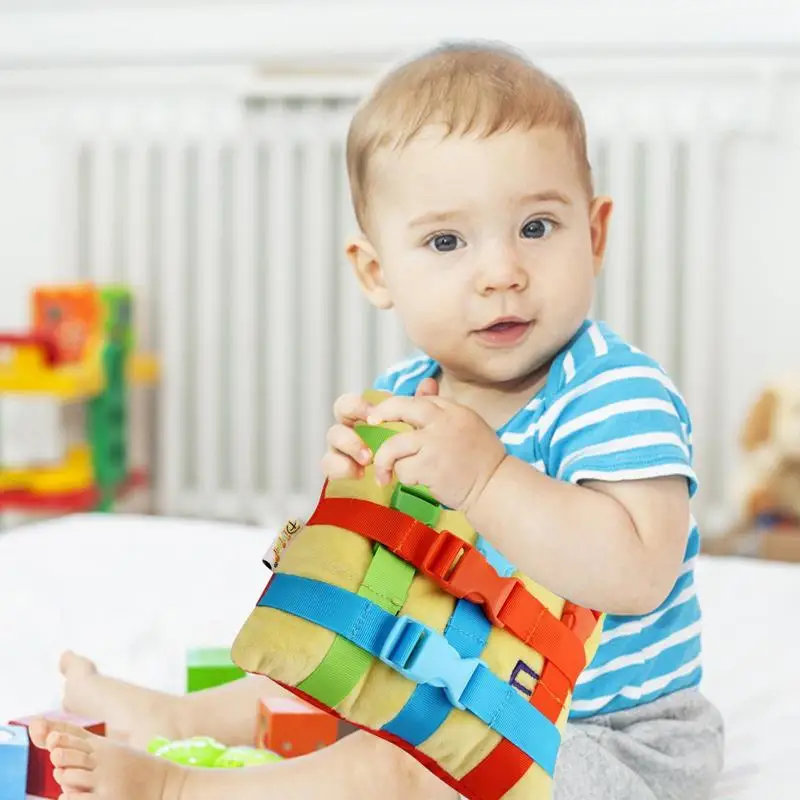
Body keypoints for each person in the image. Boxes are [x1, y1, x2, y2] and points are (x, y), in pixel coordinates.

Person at [31, 40, 724, 800]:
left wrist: (486, 477)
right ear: (375, 272)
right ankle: (182, 714)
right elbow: (387, 589)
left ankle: (183, 791)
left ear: (593, 235)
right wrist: (352, 510)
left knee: (405, 763)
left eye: (535, 228)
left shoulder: (615, 393)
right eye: (447, 241)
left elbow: (638, 576)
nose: (501, 273)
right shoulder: (403, 395)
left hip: (605, 742)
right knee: (334, 661)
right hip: (460, 690)